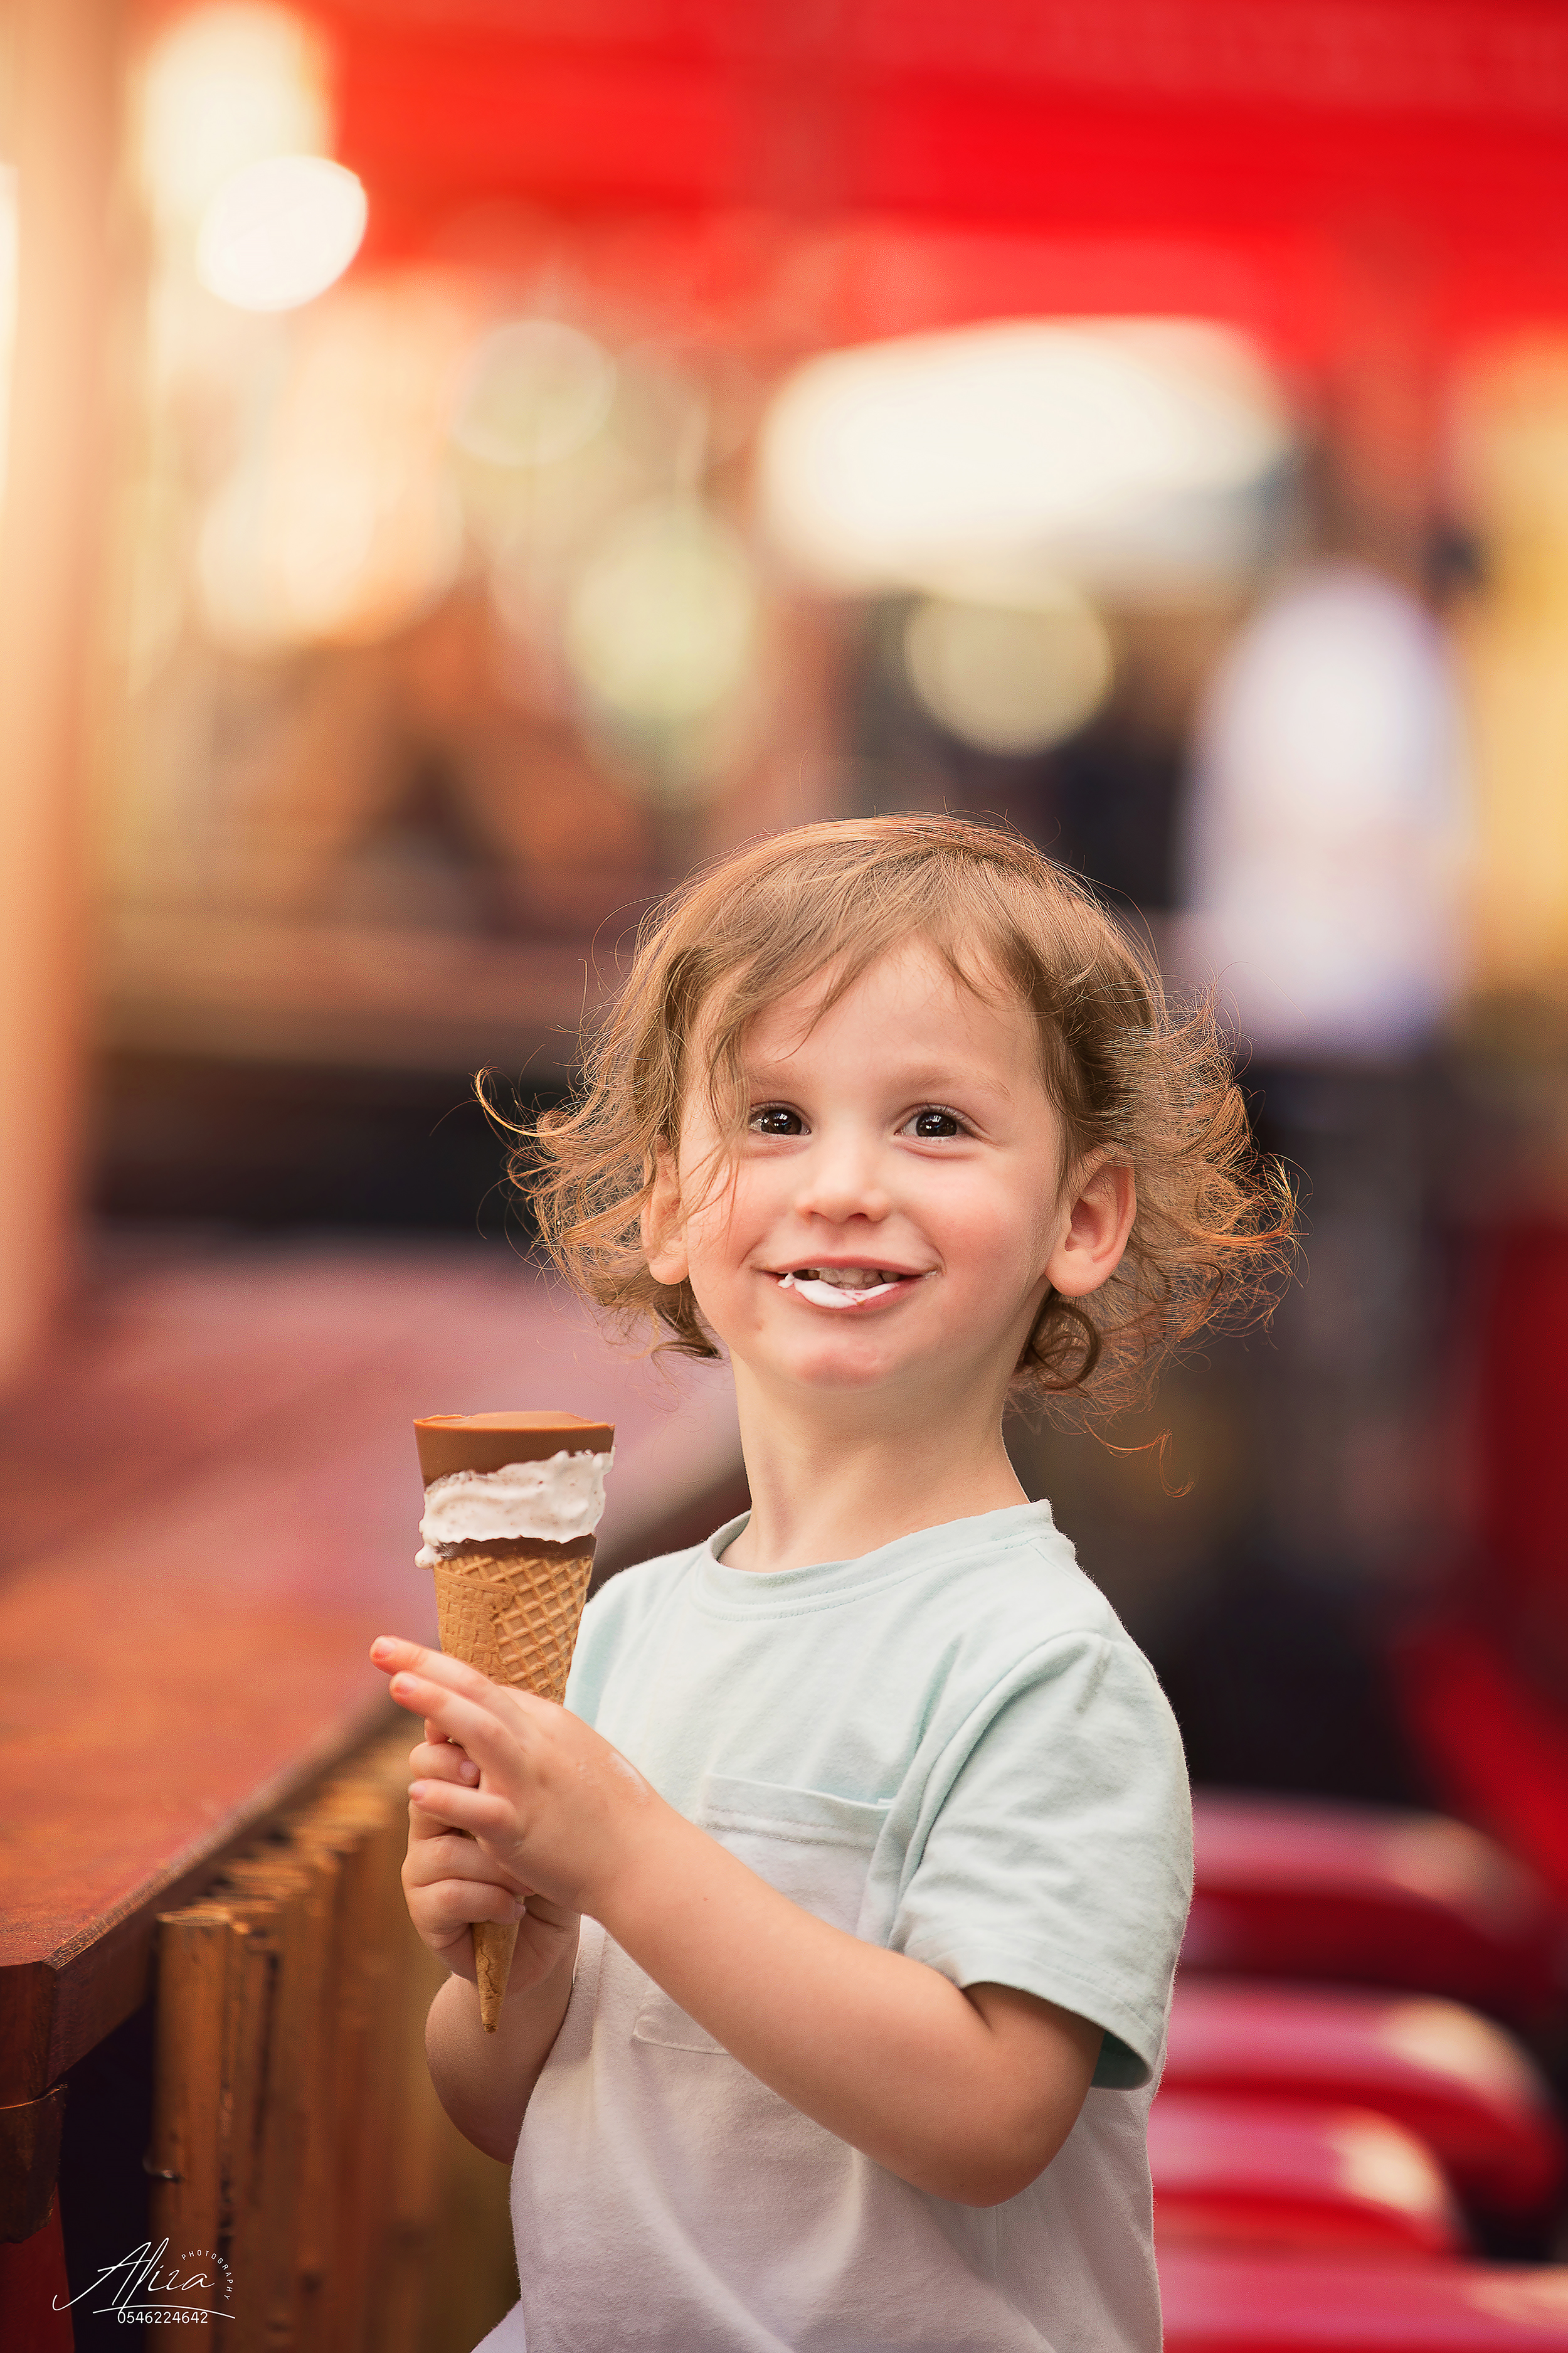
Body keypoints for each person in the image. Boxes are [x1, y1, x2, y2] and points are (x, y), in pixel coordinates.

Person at [371, 815, 1293, 2352]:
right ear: (666, 1203)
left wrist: (626, 1860)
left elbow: (992, 2115)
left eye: (933, 1123)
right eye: (775, 1116)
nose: (846, 1183)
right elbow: (503, 2111)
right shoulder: (623, 1631)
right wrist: (513, 1972)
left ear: (1081, 1217)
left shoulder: (1038, 1668)